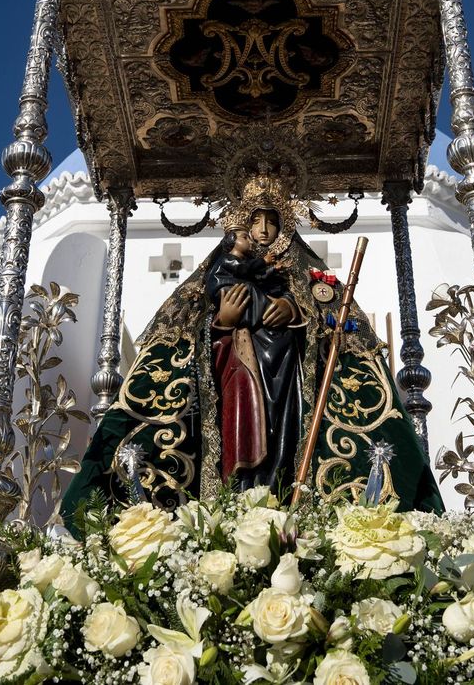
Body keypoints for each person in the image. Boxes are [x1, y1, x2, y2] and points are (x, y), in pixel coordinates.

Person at [61, 166, 442, 528]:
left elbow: (329, 321)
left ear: (284, 224)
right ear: (240, 225)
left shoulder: (304, 272)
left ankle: (286, 488)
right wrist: (222, 320)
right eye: (255, 222)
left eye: (271, 221)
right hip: (236, 368)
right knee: (241, 428)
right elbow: (193, 324)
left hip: (287, 374)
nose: (263, 230)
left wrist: (294, 310)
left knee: (282, 431)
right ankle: (235, 495)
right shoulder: (221, 268)